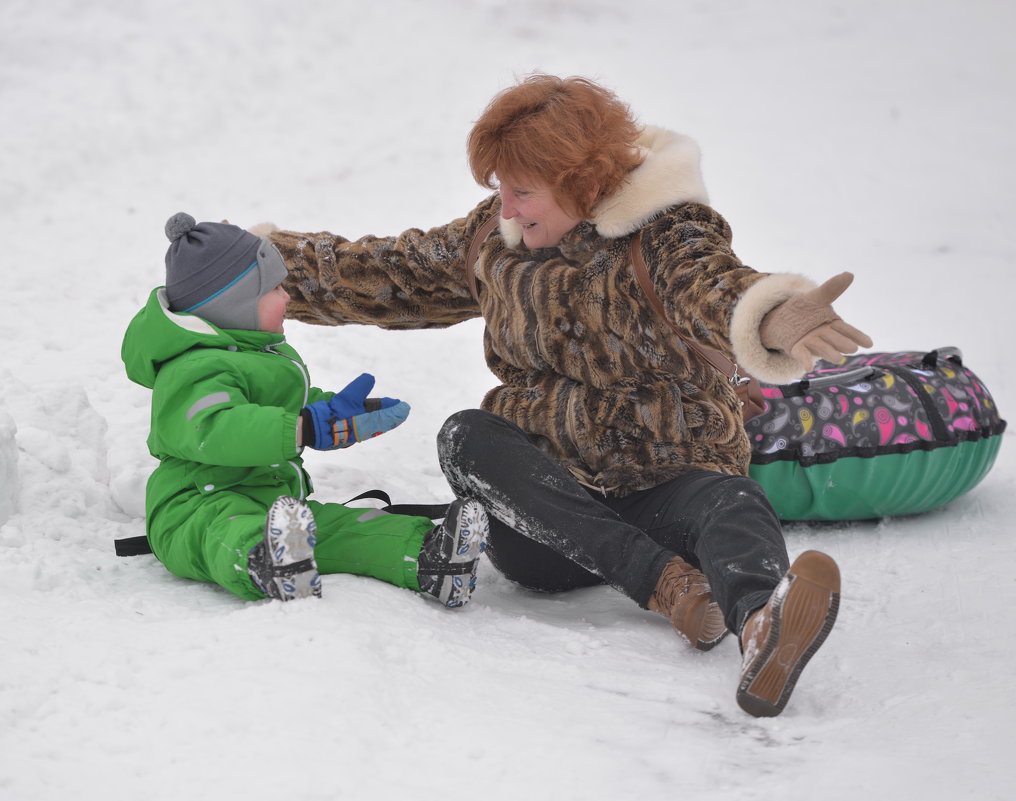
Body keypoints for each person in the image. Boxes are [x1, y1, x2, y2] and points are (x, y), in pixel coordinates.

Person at [263, 74, 872, 716]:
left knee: (732, 500)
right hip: (548, 524)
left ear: (583, 183)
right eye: (500, 189)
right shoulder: (492, 241)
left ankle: (758, 625)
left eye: (523, 191)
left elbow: (711, 285)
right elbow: (392, 272)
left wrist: (773, 316)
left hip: (667, 486)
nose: (507, 209)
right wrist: (257, 266)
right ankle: (671, 589)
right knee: (466, 437)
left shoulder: (664, 234)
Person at [121, 212, 489, 606]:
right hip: (196, 506)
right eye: (276, 289)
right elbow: (215, 428)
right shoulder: (191, 367)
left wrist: (336, 413)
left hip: (277, 506)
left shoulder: (260, 355)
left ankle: (429, 559)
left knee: (341, 529)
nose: (288, 297)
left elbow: (290, 408)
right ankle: (267, 565)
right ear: (235, 304)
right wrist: (303, 428)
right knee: (224, 531)